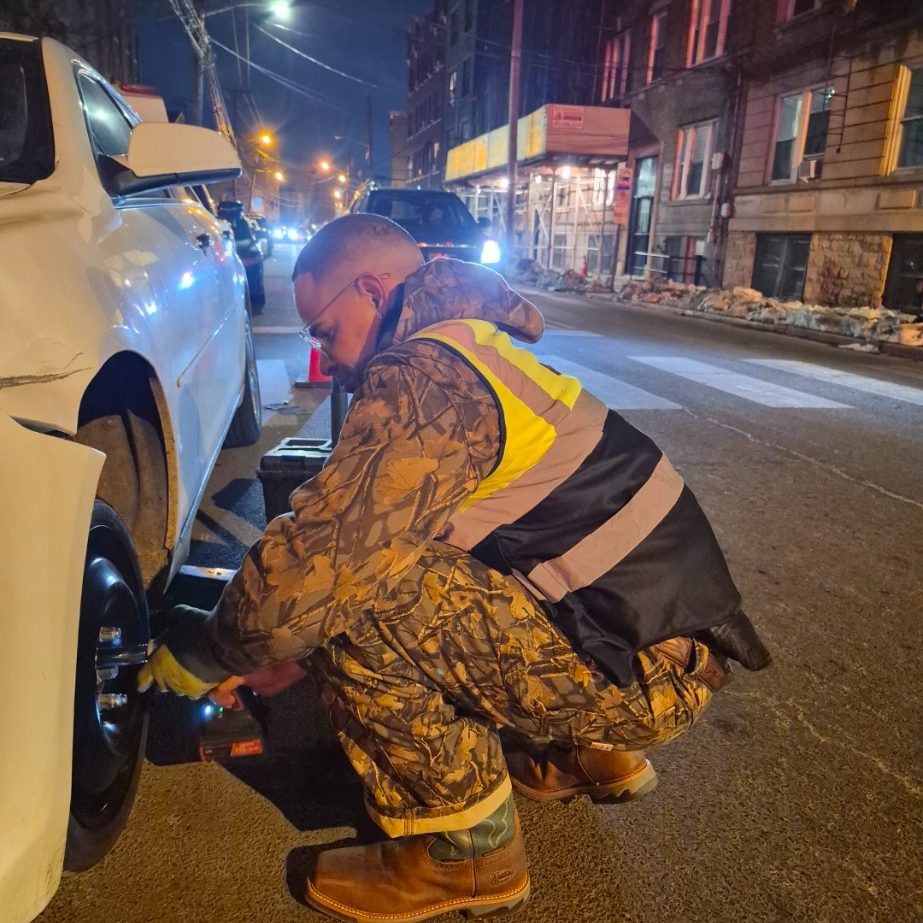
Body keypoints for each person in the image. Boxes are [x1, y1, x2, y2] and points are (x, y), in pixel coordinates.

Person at [139, 214, 770, 923]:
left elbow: (316, 572)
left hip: (640, 675)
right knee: (387, 576)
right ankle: (589, 752)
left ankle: (465, 850)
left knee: (359, 587)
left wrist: (211, 646)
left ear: (374, 289)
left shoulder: (423, 379)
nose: (329, 358)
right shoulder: (471, 348)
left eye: (324, 330)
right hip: (658, 647)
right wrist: (290, 657)